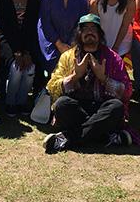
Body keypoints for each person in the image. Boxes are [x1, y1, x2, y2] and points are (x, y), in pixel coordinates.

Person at [44, 14, 132, 153]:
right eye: (85, 29)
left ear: (99, 34)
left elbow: (127, 91)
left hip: (102, 106)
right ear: (79, 33)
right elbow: (52, 87)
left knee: (116, 107)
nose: (89, 32)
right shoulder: (68, 56)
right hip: (77, 107)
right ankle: (105, 136)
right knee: (62, 104)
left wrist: (104, 78)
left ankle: (68, 138)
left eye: (93, 29)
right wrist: (75, 76)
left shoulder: (113, 58)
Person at [0, 0, 42, 115]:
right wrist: (17, 52)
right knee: (16, 67)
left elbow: (32, 26)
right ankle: (10, 102)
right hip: (7, 39)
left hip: (28, 40)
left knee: (30, 68)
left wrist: (26, 51)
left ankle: (22, 101)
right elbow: (5, 27)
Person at [38, 0, 90, 85]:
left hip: (73, 38)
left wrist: (72, 43)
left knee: (74, 63)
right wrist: (59, 44)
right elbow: (45, 22)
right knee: (54, 63)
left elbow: (81, 23)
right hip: (50, 37)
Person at [90, 0, 135, 77]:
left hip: (122, 43)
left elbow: (125, 25)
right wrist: (101, 46)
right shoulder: (95, 2)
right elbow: (95, 27)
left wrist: (116, 47)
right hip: (102, 42)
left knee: (118, 75)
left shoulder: (130, 1)